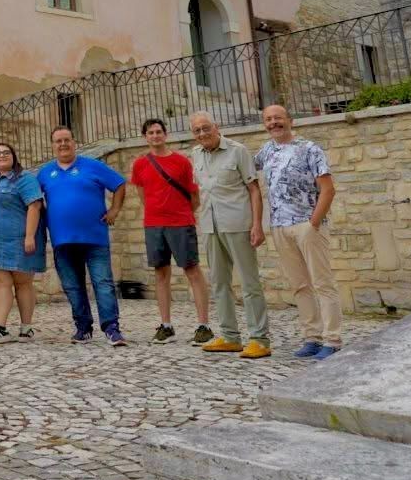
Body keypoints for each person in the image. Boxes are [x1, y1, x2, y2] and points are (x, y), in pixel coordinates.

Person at [255, 105, 341, 360]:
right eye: (268, 119)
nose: (273, 123)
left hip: (307, 225)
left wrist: (314, 222)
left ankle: (332, 339)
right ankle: (311, 337)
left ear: (290, 121)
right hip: (280, 226)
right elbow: (242, 168)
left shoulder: (310, 149)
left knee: (322, 283)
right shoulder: (266, 151)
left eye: (278, 118)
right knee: (300, 286)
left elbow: (328, 189)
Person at [189, 112, 271, 359]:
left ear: (217, 127)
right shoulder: (195, 154)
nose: (202, 133)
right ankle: (229, 336)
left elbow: (254, 190)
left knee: (249, 282)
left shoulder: (238, 151)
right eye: (197, 130)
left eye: (206, 128)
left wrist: (257, 225)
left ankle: (259, 339)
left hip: (238, 223)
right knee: (219, 282)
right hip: (210, 225)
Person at [38, 126, 128, 346]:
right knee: (73, 286)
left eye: (66, 140)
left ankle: (111, 329)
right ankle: (83, 328)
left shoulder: (93, 165)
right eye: (58, 141)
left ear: (74, 142)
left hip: (95, 238)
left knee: (103, 283)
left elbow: (120, 184)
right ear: (52, 145)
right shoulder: (44, 173)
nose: (63, 144)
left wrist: (114, 210)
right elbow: (33, 200)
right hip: (62, 240)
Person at [130, 118, 212, 346]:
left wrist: (181, 213)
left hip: (180, 223)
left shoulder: (181, 162)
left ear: (165, 135)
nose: (155, 136)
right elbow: (142, 195)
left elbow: (194, 196)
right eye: (150, 132)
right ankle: (166, 325)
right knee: (160, 273)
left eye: (158, 132)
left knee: (192, 270)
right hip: (154, 224)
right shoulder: (140, 164)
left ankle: (203, 325)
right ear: (145, 137)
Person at [0, 142, 44, 344]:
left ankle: (26, 327)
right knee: (1, 281)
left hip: (19, 239)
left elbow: (34, 206)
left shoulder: (24, 179)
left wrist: (30, 236)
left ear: (14, 156)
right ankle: (0, 327)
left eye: (6, 152)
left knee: (23, 282)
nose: (1, 156)